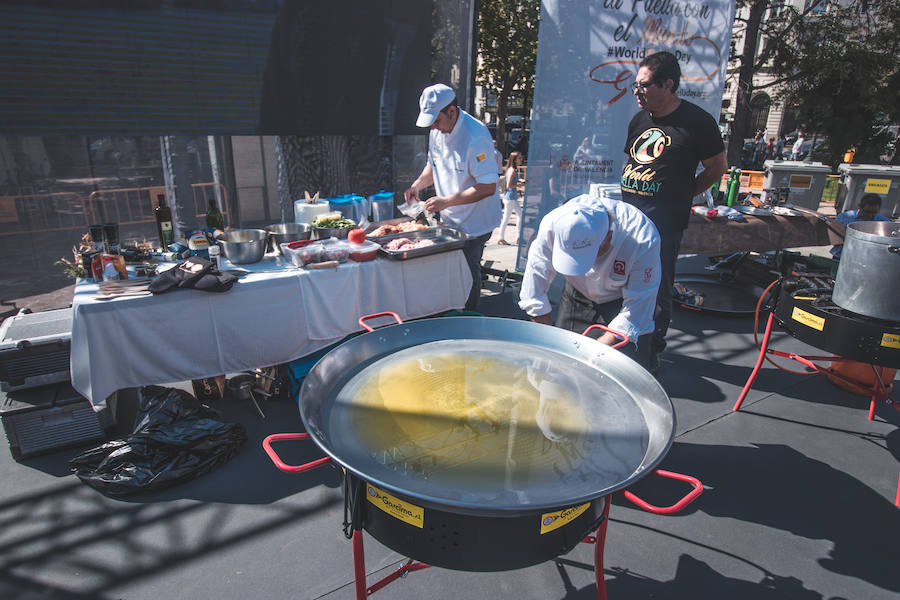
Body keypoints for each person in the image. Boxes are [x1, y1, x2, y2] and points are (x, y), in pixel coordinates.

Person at [619, 51, 727, 373]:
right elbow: (633, 162)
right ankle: (622, 341)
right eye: (635, 86)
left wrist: (684, 194)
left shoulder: (697, 122)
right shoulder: (639, 119)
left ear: (668, 84)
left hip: (663, 227)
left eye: (643, 85)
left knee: (657, 289)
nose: (637, 92)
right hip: (629, 222)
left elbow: (716, 167)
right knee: (622, 283)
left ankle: (651, 353)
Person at [518, 194, 661, 370]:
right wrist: (549, 344)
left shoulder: (642, 237)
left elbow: (638, 305)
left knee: (621, 367)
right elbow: (533, 292)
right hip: (576, 293)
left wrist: (597, 351)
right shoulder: (552, 225)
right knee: (560, 365)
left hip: (622, 300)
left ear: (608, 236)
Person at [404, 83, 502, 310]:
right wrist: (417, 185)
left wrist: (445, 201)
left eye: (437, 121)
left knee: (468, 273)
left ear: (452, 111)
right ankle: (449, 309)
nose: (435, 128)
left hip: (475, 223)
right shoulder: (437, 131)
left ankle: (469, 316)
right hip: (450, 219)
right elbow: (433, 165)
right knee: (450, 271)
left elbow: (487, 187)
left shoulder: (475, 137)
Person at [829, 194, 891, 258]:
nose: (870, 215)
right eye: (867, 212)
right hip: (842, 255)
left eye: (874, 212)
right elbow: (834, 238)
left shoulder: (883, 222)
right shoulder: (844, 217)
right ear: (859, 207)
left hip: (868, 258)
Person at [498, 152, 524, 246]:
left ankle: (519, 237)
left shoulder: (511, 169)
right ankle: (501, 238)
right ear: (514, 159)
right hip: (510, 198)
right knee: (506, 218)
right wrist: (519, 184)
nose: (521, 160)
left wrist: (519, 182)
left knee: (520, 215)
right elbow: (509, 185)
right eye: (519, 158)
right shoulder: (513, 170)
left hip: (511, 197)